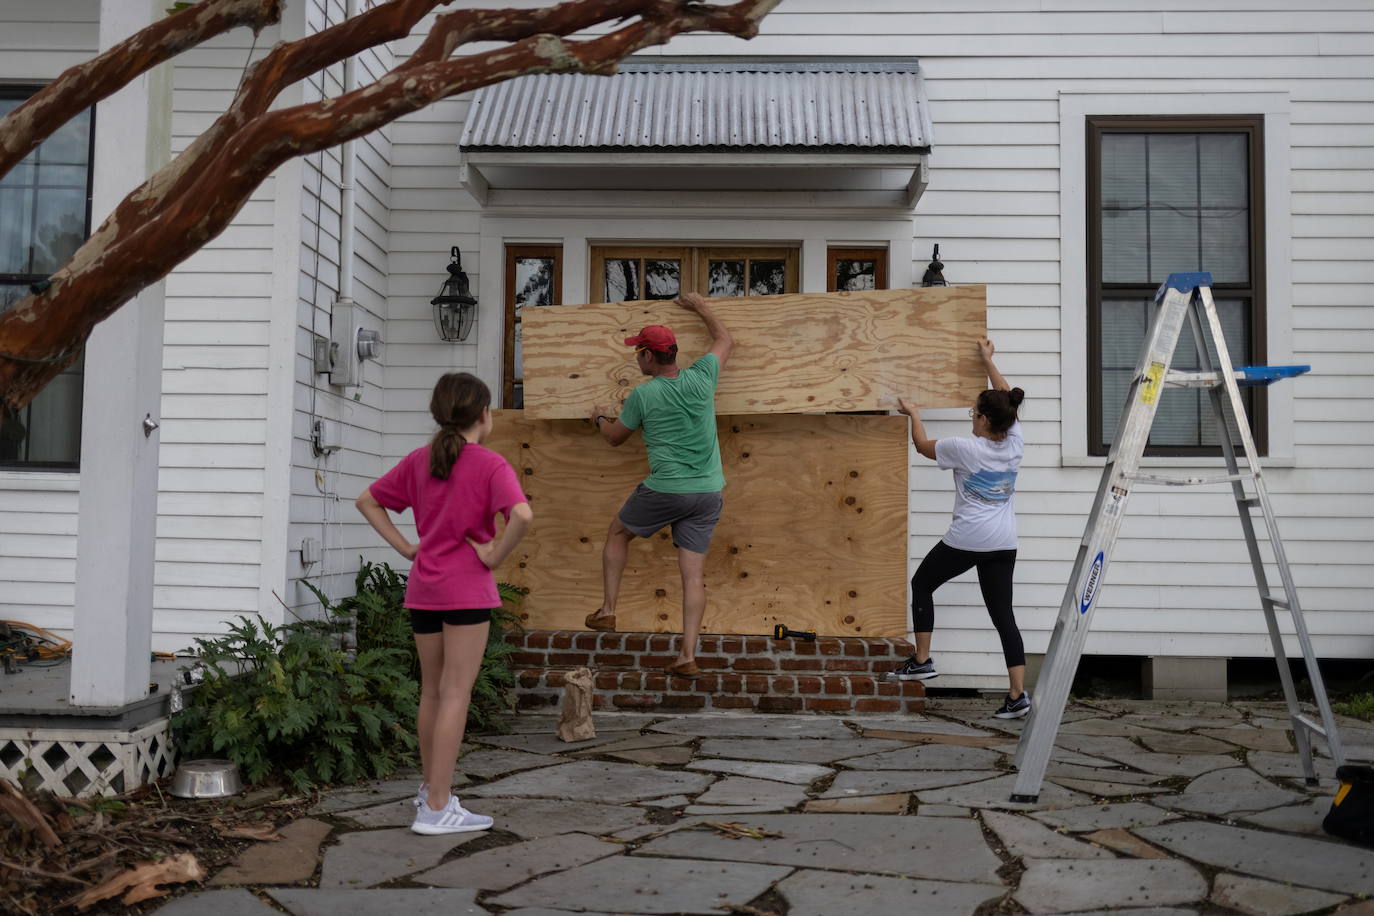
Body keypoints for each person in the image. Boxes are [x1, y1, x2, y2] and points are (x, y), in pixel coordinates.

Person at [356, 372, 532, 834]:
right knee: (456, 692)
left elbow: (367, 501)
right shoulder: (490, 465)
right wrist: (494, 554)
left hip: (425, 590)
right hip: (466, 591)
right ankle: (437, 807)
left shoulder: (419, 460)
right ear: (483, 415)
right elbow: (523, 515)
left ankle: (430, 791)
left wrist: (406, 548)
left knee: (432, 691)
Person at [584, 291, 732, 679]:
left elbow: (616, 437)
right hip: (708, 492)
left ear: (649, 356)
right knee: (692, 576)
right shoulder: (703, 377)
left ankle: (608, 610)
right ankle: (687, 654)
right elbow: (725, 339)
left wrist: (599, 418)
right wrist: (700, 306)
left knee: (617, 533)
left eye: (639, 352)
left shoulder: (644, 394)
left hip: (667, 489)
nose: (636, 357)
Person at [888, 338, 1031, 719]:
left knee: (922, 584)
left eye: (973, 412)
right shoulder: (1014, 441)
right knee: (1004, 616)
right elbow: (1006, 398)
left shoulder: (966, 448)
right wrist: (987, 361)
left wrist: (913, 412)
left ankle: (922, 660)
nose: (971, 416)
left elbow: (921, 445)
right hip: (1004, 541)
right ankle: (1017, 695)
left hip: (968, 538)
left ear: (984, 419)